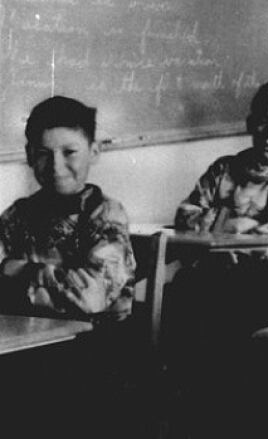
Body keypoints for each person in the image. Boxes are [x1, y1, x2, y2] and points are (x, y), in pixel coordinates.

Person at [170, 78, 268, 437]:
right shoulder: (225, 169)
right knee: (180, 295)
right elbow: (185, 214)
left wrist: (221, 224)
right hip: (209, 277)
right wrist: (234, 223)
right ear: (252, 124)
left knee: (234, 328)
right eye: (264, 122)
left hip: (265, 286)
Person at [0, 96, 140, 438]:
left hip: (96, 353)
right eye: (44, 154)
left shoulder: (106, 215)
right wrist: (52, 278)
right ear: (30, 155)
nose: (56, 165)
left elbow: (89, 299)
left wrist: (16, 271)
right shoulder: (18, 215)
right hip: (30, 346)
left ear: (94, 151)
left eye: (69, 152)